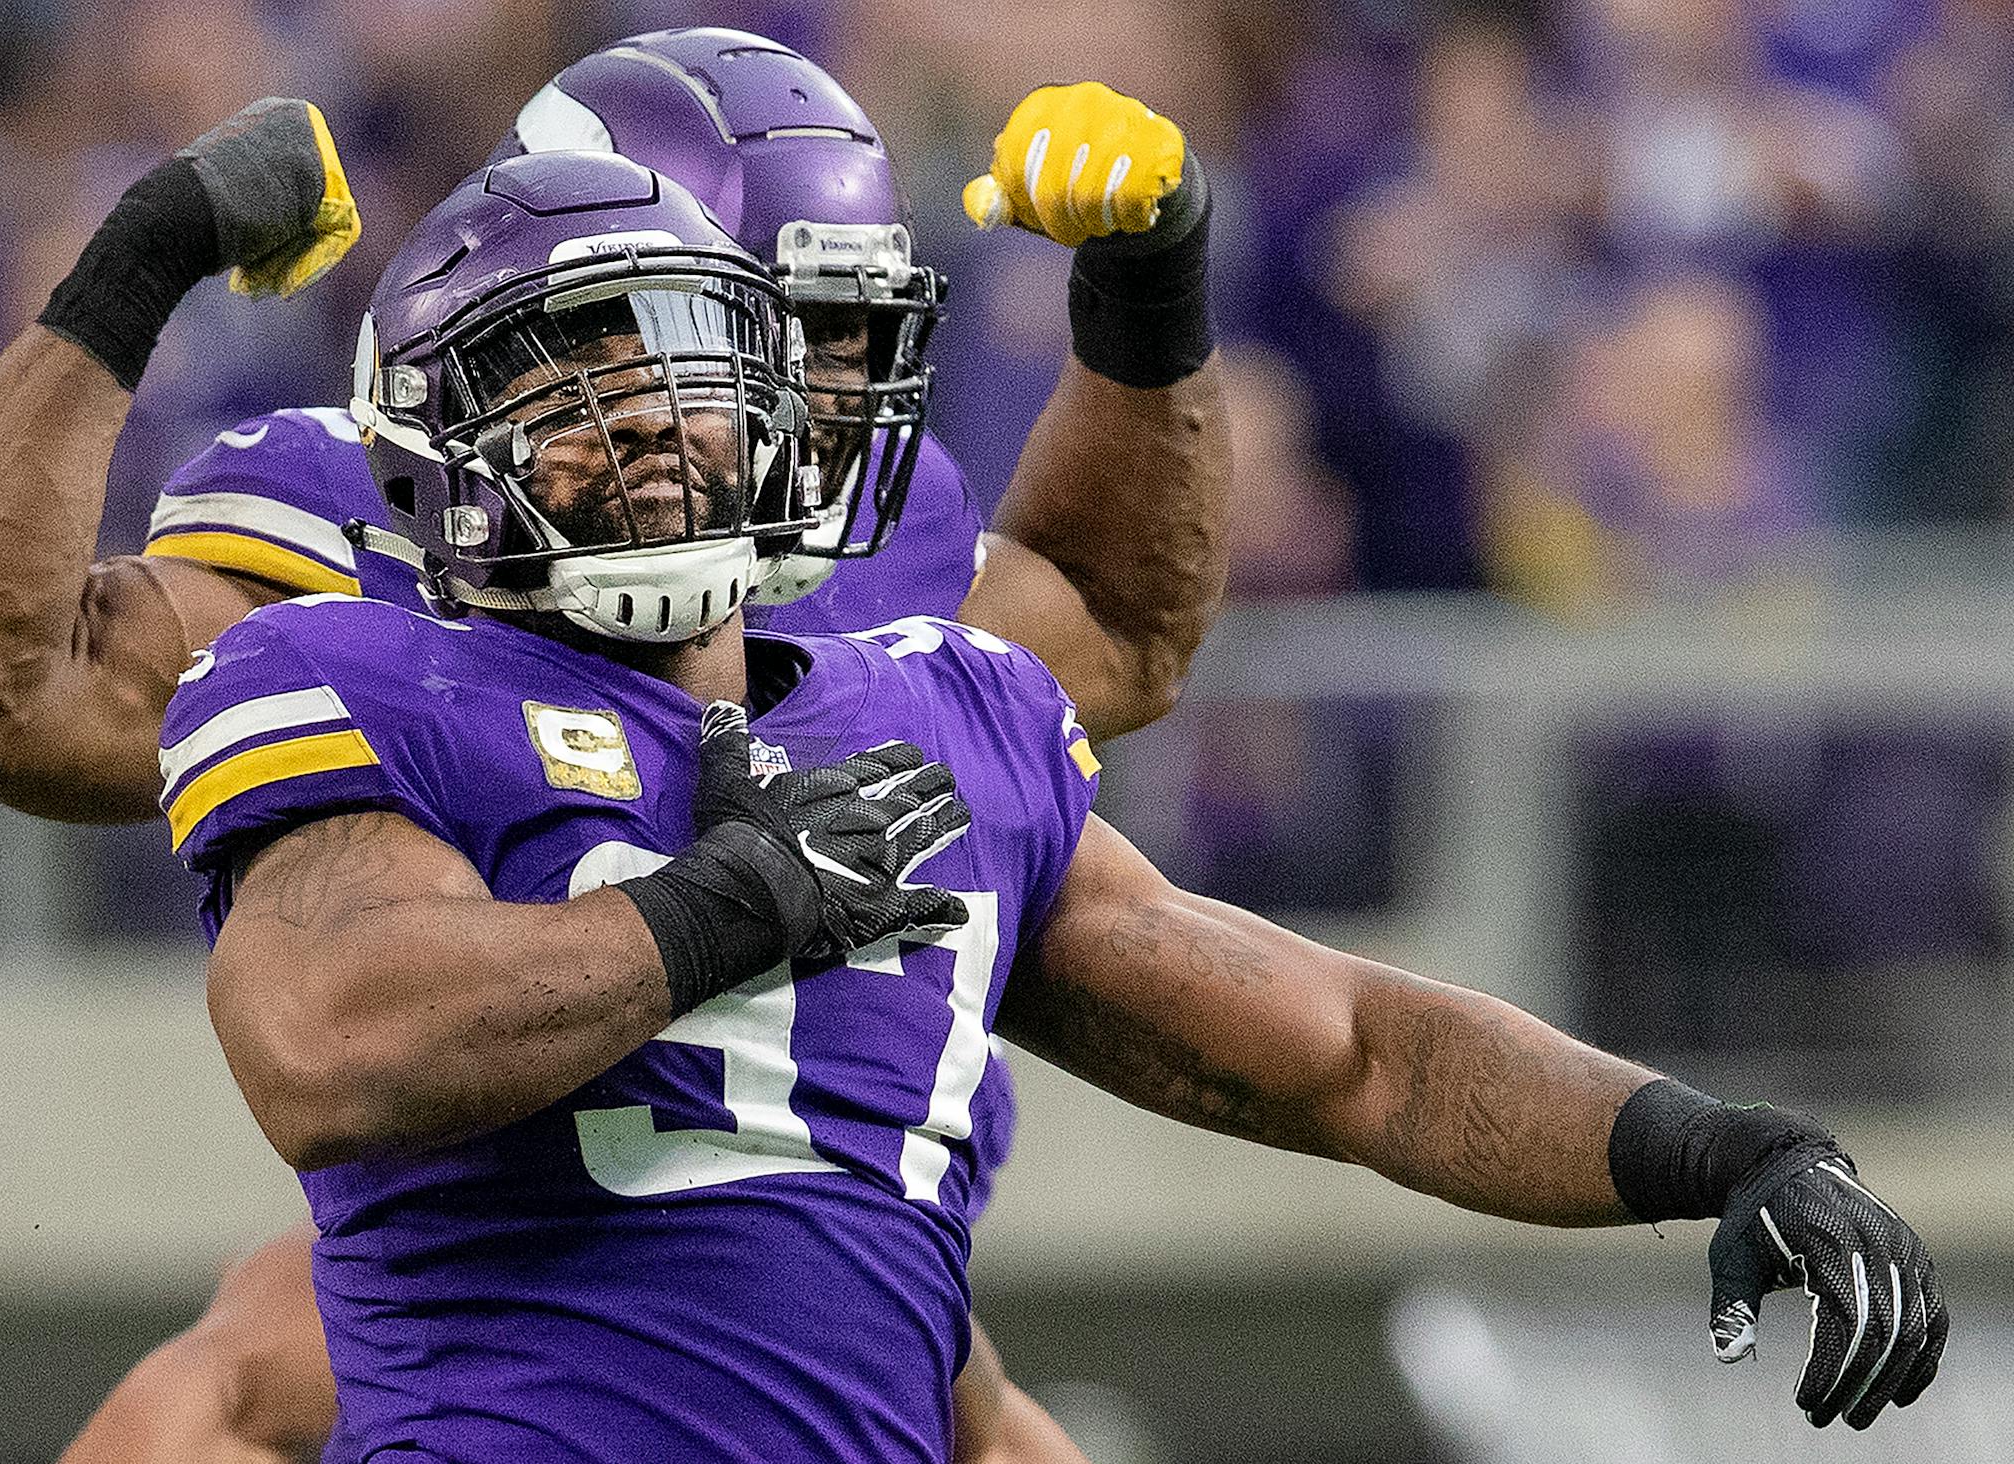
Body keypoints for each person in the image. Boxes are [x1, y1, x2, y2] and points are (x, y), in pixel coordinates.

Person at [160, 148, 1942, 1458]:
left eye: (675, 361)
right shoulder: (361, 677)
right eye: (560, 379)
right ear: (430, 451)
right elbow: (332, 1047)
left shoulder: (941, 716)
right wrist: (725, 907)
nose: (637, 419)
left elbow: (1347, 1050)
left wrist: (1716, 1149)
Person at [0, 42, 1226, 1464]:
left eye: (841, 338)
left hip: (842, 1216)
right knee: (247, 1362)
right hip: (523, 1205)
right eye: (767, 329)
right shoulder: (385, 512)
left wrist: (1149, 295)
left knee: (969, 1408)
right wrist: (134, 272)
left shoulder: (869, 535)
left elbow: (1119, 634)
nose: (814, 398)